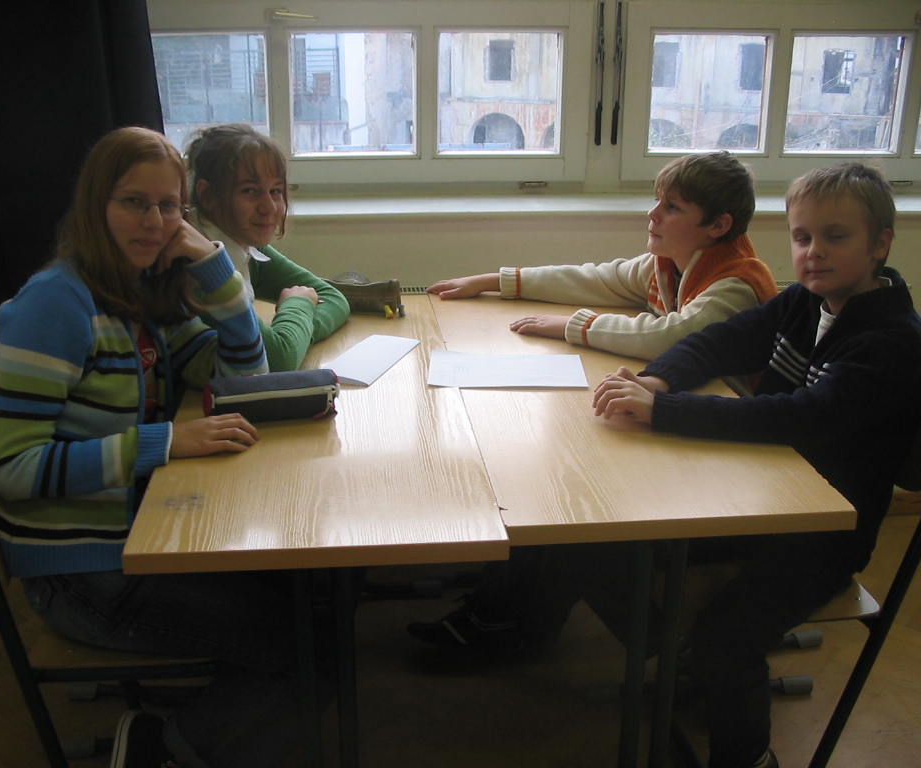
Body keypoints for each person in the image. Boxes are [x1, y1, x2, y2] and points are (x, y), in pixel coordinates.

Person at [413, 163, 921, 768]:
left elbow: (798, 417)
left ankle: (744, 751)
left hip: (821, 535)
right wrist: (656, 380)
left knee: (725, 637)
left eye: (835, 237)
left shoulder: (891, 340)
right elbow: (716, 341)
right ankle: (538, 632)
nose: (813, 252)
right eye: (802, 236)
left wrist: (664, 410)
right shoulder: (802, 302)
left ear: (880, 244)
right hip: (761, 490)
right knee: (586, 526)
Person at [0, 126, 307, 768]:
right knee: (305, 649)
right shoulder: (57, 303)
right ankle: (160, 748)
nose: (155, 222)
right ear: (95, 205)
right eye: (134, 202)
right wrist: (165, 442)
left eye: (169, 206)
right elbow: (14, 469)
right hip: (81, 573)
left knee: (308, 597)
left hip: (142, 534)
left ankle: (209, 715)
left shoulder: (140, 291)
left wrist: (215, 267)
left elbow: (240, 376)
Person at [426, 151, 777, 360]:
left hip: (739, 415)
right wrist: (493, 281)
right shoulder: (671, 261)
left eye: (672, 207)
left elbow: (669, 337)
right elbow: (596, 279)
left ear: (718, 225)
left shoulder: (734, 286)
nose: (653, 214)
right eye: (657, 201)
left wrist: (574, 326)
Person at [186, 123, 350, 371]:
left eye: (275, 191)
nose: (269, 208)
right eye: (250, 191)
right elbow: (279, 359)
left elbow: (334, 298)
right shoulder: (202, 267)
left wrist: (294, 337)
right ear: (207, 196)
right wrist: (298, 306)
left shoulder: (242, 240)